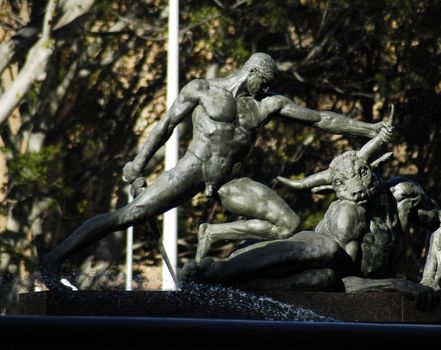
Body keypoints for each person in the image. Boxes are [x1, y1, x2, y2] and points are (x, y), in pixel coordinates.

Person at [39, 52, 388, 290]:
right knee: (132, 213)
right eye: (263, 83)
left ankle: (215, 235)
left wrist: (370, 129)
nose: (266, 90)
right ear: (252, 73)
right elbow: (165, 126)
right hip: (195, 167)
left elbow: (321, 119)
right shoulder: (203, 89)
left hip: (232, 182)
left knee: (288, 225)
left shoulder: (266, 104)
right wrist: (137, 163)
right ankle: (55, 258)